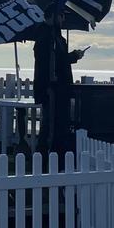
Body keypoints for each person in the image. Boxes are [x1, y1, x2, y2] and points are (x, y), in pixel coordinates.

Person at [33, 22, 85, 154]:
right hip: (52, 89)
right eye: (60, 15)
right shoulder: (46, 38)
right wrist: (73, 56)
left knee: (57, 124)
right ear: (52, 16)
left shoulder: (57, 38)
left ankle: (54, 153)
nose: (62, 19)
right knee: (50, 124)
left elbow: (58, 60)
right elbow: (55, 61)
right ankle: (46, 154)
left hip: (60, 89)